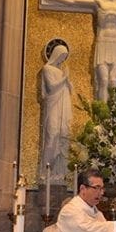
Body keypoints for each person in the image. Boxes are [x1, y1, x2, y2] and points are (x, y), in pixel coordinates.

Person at [39, 38, 73, 181]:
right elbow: (51, 87)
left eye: (65, 58)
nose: (62, 60)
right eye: (61, 56)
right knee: (52, 135)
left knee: (62, 135)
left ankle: (59, 172)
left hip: (63, 108)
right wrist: (64, 78)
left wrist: (68, 82)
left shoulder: (61, 71)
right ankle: (45, 171)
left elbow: (69, 91)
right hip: (53, 106)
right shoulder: (47, 69)